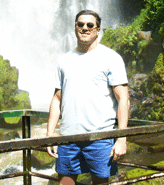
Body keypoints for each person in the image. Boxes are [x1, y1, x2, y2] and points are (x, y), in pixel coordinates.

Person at [46, 9, 130, 184]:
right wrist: (50, 135)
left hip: (99, 138)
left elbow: (124, 99)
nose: (85, 28)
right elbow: (57, 99)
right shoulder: (64, 60)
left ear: (98, 30)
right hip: (68, 137)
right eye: (80, 24)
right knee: (65, 183)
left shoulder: (111, 58)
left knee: (100, 182)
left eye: (90, 25)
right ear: (75, 27)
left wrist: (122, 139)